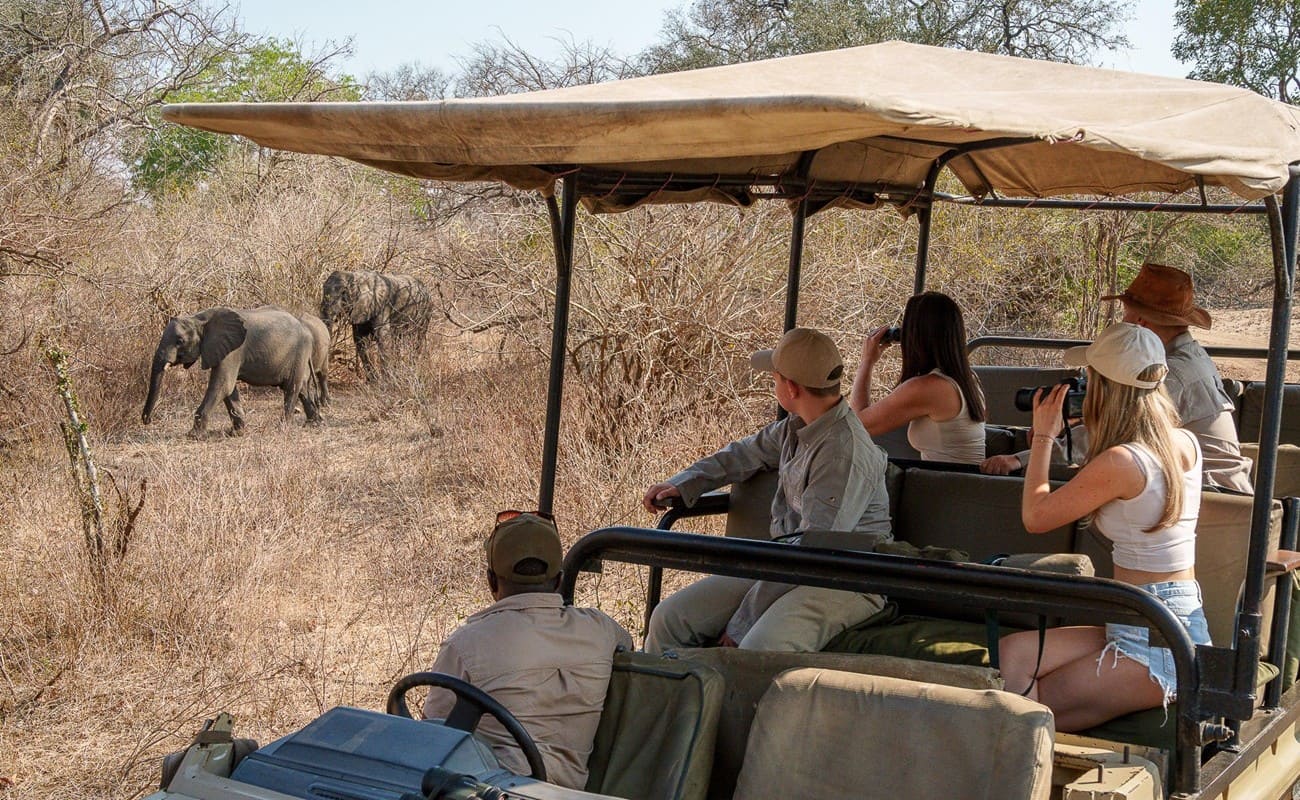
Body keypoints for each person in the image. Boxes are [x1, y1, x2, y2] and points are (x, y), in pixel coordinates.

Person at [997, 322, 1211, 732]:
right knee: (1014, 653)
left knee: (1028, 717)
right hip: (1150, 614)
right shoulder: (1184, 443)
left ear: (1103, 387)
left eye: (1089, 379)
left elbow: (1036, 517)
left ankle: (1020, 765)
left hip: (1159, 635)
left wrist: (1043, 437)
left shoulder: (1122, 462)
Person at [641, 327, 891, 654]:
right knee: (670, 619)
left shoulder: (843, 453)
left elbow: (816, 550)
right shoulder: (796, 427)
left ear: (791, 387)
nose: (773, 386)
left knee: (759, 646)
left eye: (774, 379)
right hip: (785, 562)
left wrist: (742, 622)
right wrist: (684, 483)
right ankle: (662, 687)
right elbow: (743, 454)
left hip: (846, 578)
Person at [982, 263, 1252, 494]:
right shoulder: (1182, 357)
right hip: (1197, 484)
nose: (1123, 320)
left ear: (1141, 322)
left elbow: (1113, 432)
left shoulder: (1168, 373)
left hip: (1211, 492)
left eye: (1126, 314)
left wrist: (1021, 459)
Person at [422, 511, 633, 790]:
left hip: (492, 789)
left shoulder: (465, 644)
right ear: (558, 581)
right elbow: (628, 648)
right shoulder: (601, 629)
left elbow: (434, 736)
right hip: (568, 793)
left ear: (491, 581)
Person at [850, 291, 986, 464]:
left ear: (915, 335)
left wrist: (867, 361)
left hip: (947, 479)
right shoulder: (967, 378)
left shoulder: (931, 387)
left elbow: (857, 424)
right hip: (962, 477)